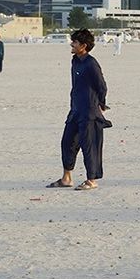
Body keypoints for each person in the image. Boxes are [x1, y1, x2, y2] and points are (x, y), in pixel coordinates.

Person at [48, 28, 108, 190]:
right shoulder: (75, 60)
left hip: (89, 112)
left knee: (89, 146)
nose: (71, 45)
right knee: (67, 143)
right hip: (75, 110)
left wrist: (101, 104)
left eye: (75, 42)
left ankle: (92, 180)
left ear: (84, 45)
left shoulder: (91, 63)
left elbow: (101, 86)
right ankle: (66, 178)